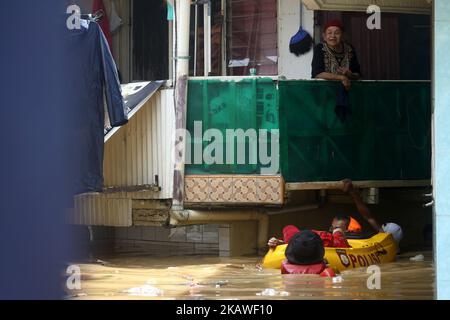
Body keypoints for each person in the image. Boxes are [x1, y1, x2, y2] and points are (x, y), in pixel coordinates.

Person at [268, 179, 403, 249]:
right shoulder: (327, 237)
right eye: (333, 228)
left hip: (338, 248)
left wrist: (352, 193)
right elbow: (367, 216)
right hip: (311, 242)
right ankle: (283, 242)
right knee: (290, 230)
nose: (333, 230)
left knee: (290, 230)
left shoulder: (383, 239)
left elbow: (368, 216)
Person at [311, 20, 361, 91]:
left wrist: (350, 74)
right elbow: (317, 73)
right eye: (329, 33)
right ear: (324, 36)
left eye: (337, 33)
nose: (333, 36)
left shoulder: (350, 49)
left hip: (346, 91)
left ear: (342, 35)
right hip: (323, 92)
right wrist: (341, 77)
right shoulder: (320, 49)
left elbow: (358, 75)